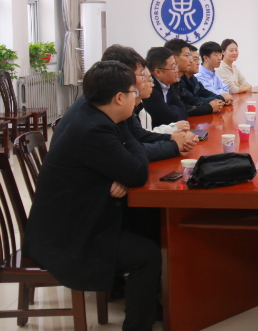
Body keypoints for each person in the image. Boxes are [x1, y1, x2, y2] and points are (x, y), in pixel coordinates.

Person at [24, 61, 161, 331]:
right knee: (147, 255)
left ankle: (149, 301)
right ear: (119, 97)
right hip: (68, 236)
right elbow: (136, 171)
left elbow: (130, 164)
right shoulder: (94, 129)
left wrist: (127, 164)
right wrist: (129, 161)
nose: (136, 98)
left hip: (82, 214)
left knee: (151, 222)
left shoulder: (96, 115)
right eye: (134, 92)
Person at [53, 44, 193, 162]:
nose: (145, 80)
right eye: (141, 74)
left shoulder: (113, 100)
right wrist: (174, 145)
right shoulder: (101, 106)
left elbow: (138, 137)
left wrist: (173, 139)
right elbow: (129, 155)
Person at [164, 39, 224, 115]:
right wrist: (210, 107)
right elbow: (183, 107)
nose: (191, 61)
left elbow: (194, 99)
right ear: (174, 58)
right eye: (187, 56)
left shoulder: (192, 78)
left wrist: (219, 100)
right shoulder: (169, 82)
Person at [142, 47, 188, 128]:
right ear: (158, 72)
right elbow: (170, 119)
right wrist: (173, 109)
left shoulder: (168, 84)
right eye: (173, 67)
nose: (177, 70)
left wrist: (171, 109)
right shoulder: (150, 89)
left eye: (176, 65)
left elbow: (183, 111)